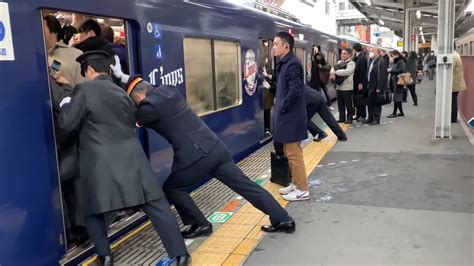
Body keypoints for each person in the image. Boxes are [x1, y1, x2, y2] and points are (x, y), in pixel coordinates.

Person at [110, 65, 295, 237]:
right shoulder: (168, 91)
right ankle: (283, 218)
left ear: (138, 98)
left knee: (172, 188)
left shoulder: (148, 108)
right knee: (247, 187)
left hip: (196, 156)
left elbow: (128, 118)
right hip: (216, 147)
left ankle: (200, 224)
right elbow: (148, 88)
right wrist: (125, 78)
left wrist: (117, 87)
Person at [56, 51, 190, 266]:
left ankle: (105, 257)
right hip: (134, 159)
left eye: (84, 73)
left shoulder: (84, 89)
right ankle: (180, 254)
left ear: (89, 70)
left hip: (100, 164)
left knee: (92, 211)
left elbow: (67, 125)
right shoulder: (122, 94)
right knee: (156, 206)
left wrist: (65, 100)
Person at [265, 32, 309, 201]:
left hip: (291, 116)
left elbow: (296, 90)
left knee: (294, 153)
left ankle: (302, 189)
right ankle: (295, 183)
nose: (273, 47)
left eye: (276, 44)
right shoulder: (284, 63)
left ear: (286, 46)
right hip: (287, 116)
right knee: (287, 151)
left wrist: (282, 107)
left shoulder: (292, 64)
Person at [364, 47, 388, 125]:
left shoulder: (381, 62)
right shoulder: (371, 61)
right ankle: (370, 117)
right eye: (370, 51)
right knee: (370, 102)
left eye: (372, 51)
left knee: (377, 102)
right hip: (370, 84)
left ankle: (376, 119)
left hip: (376, 85)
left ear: (378, 52)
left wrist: (379, 88)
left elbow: (383, 76)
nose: (371, 53)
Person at [331, 48, 355, 124]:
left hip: (347, 87)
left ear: (349, 54)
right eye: (342, 53)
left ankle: (349, 118)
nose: (342, 55)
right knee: (340, 104)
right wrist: (333, 73)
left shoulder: (351, 63)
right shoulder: (339, 62)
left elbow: (347, 72)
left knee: (348, 104)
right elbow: (332, 69)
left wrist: (336, 72)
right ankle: (342, 118)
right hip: (339, 86)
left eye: (344, 53)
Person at [387, 50, 407, 118]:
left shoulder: (400, 61)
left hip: (399, 81)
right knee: (397, 97)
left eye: (393, 55)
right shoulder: (397, 61)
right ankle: (401, 112)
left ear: (397, 55)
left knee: (396, 97)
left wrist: (391, 70)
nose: (392, 57)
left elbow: (401, 70)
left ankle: (394, 113)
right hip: (395, 81)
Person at [352, 43, 368, 122]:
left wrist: (361, 83)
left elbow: (362, 72)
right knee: (357, 99)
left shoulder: (362, 58)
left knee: (361, 99)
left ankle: (363, 115)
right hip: (356, 82)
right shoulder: (358, 57)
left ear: (355, 49)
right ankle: (358, 115)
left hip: (359, 82)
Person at [452, 47, 467, 123]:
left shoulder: (454, 56)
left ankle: (453, 118)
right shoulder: (456, 55)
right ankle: (453, 117)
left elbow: (450, 69)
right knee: (453, 99)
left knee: (453, 100)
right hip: (456, 82)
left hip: (454, 83)